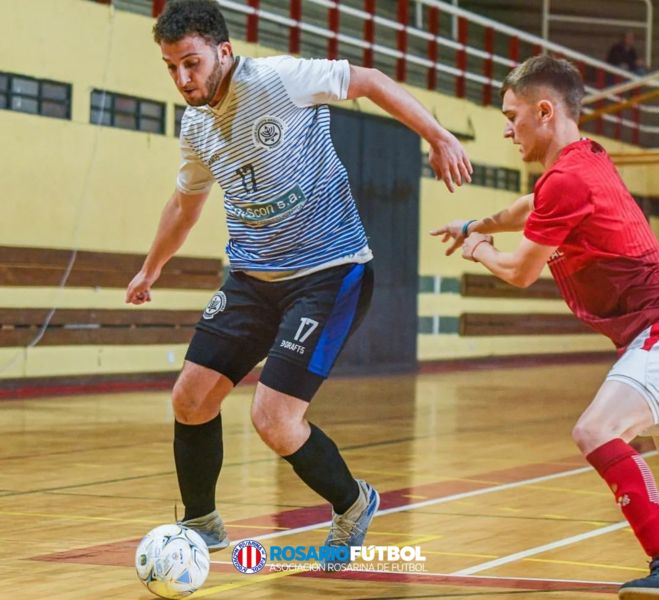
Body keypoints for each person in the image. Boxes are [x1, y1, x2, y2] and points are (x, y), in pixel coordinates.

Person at [126, 0, 472, 570]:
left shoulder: (280, 78)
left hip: (330, 272)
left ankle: (354, 502)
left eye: (191, 62)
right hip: (253, 278)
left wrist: (436, 135)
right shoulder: (195, 126)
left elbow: (369, 81)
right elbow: (186, 204)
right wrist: (151, 266)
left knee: (274, 419)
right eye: (171, 67)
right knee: (190, 398)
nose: (182, 78)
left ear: (223, 52)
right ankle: (201, 526)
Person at [433, 55, 659, 599]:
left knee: (596, 431)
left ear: (544, 111)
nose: (507, 129)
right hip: (644, 332)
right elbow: (525, 207)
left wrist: (481, 249)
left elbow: (520, 270)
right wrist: (474, 223)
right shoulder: (585, 163)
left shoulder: (569, 179)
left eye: (513, 116)